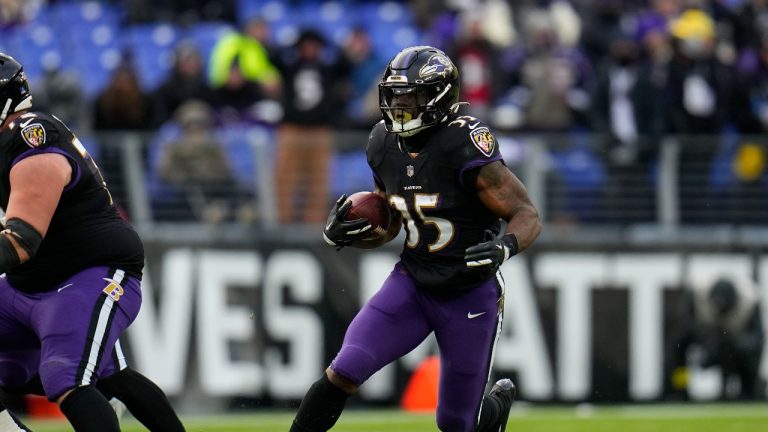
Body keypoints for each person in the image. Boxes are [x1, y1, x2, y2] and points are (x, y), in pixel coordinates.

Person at [291, 46, 542, 432]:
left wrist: (503, 247)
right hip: (412, 282)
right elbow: (391, 225)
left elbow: (526, 214)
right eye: (395, 96)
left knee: (456, 423)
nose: (400, 106)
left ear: (440, 97)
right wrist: (350, 233)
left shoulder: (463, 143)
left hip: (468, 292)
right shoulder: (381, 142)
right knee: (346, 368)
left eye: (412, 97)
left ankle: (495, 409)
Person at [0, 53, 185, 431]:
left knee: (67, 376)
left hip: (86, 273)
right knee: (110, 376)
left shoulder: (30, 135)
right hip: (31, 284)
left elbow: (21, 240)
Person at [671, 277, 765, 400]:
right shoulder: (697, 293)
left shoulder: (750, 300)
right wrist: (705, 340)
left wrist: (736, 344)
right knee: (679, 344)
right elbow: (683, 324)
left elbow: (757, 337)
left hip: (736, 346)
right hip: (707, 340)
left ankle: (749, 390)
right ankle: (681, 388)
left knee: (751, 353)